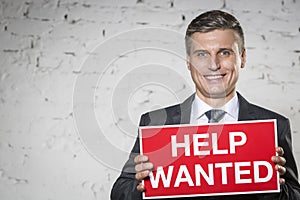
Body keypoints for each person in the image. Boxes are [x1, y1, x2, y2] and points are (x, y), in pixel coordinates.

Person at [111, 10, 300, 199]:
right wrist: (141, 183)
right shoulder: (156, 124)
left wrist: (273, 186)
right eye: (202, 54)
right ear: (188, 62)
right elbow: (119, 193)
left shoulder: (275, 125)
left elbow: (295, 195)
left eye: (224, 52)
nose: (213, 65)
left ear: (242, 57)